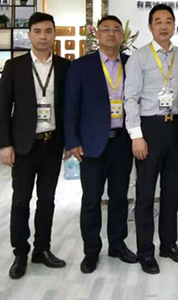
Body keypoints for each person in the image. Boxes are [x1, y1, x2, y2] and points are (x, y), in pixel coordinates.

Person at [0, 12, 70, 280]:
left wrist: (69, 142)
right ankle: (20, 252)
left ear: (54, 34)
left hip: (52, 144)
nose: (43, 36)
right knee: (20, 201)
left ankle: (42, 249)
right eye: (37, 31)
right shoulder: (14, 66)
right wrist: (5, 144)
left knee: (47, 201)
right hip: (23, 146)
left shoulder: (64, 66)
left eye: (48, 31)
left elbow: (68, 107)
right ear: (29, 35)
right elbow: (4, 107)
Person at [64, 15, 136, 274]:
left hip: (122, 142)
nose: (111, 34)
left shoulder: (131, 63)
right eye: (106, 29)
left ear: (122, 36)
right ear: (98, 34)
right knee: (91, 200)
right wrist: (72, 141)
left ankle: (117, 244)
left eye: (116, 29)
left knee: (119, 198)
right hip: (92, 144)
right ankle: (91, 251)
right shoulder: (81, 66)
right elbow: (70, 106)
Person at [124, 4, 178, 275]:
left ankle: (168, 244)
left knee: (172, 193)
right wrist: (136, 136)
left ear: (174, 25)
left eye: (168, 21)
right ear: (150, 26)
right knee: (145, 195)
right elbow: (130, 98)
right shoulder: (138, 57)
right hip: (149, 129)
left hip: (176, 128)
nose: (164, 26)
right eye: (158, 21)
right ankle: (145, 251)